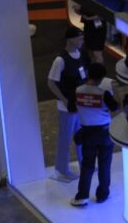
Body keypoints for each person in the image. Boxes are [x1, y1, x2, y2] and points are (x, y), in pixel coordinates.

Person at [71, 63, 119, 207]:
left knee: (87, 166)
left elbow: (72, 108)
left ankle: (82, 196)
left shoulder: (77, 91)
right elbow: (116, 108)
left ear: (87, 73)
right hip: (105, 132)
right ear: (102, 78)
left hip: (87, 133)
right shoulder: (103, 93)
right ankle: (102, 195)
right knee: (105, 164)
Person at [47, 26, 89, 182]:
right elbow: (51, 83)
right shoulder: (60, 60)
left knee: (81, 136)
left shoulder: (81, 54)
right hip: (67, 107)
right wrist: (64, 100)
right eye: (80, 38)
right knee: (65, 139)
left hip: (80, 104)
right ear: (71, 39)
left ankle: (85, 164)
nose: (82, 41)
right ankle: (61, 170)